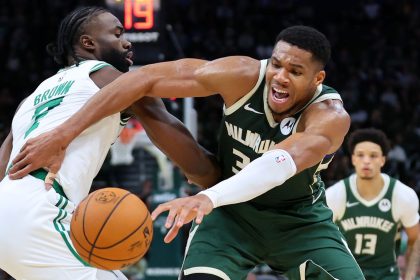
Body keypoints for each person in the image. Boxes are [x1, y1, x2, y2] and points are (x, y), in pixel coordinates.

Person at [8, 25, 366, 279]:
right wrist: (64, 134)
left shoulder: (330, 117)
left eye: (295, 71)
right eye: (276, 64)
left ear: (317, 80)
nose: (280, 77)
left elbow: (278, 164)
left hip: (298, 221)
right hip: (230, 217)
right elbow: (142, 79)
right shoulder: (241, 75)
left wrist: (208, 196)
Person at [0, 6, 220, 280]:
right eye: (117, 34)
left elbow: (2, 165)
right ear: (88, 43)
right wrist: (228, 181)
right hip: (41, 212)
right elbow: (197, 166)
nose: (126, 42)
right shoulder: (114, 80)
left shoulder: (32, 97)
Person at [326, 128, 420, 280]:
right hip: (346, 273)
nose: (366, 161)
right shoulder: (336, 195)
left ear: (383, 160)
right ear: (353, 159)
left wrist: (409, 276)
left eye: (373, 156)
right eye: (360, 155)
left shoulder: (402, 195)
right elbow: (322, 239)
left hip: (386, 274)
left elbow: (415, 239)